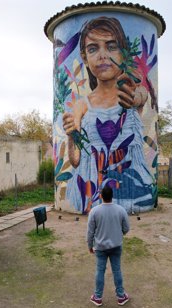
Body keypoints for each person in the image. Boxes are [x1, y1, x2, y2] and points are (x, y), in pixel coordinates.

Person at [63, 16, 156, 214]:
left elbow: (141, 96)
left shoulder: (131, 93)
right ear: (84, 57)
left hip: (133, 188)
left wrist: (135, 98)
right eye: (93, 49)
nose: (102, 55)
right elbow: (76, 161)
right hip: (89, 191)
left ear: (123, 53)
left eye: (111, 47)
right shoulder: (82, 105)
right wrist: (71, 136)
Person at [87, 186, 130, 306]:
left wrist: (90, 246)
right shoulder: (121, 210)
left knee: (100, 271)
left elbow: (90, 232)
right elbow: (126, 228)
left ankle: (98, 297)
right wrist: (118, 234)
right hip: (116, 246)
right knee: (117, 270)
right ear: (112, 196)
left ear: (101, 196)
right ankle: (121, 296)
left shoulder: (94, 211)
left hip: (100, 247)